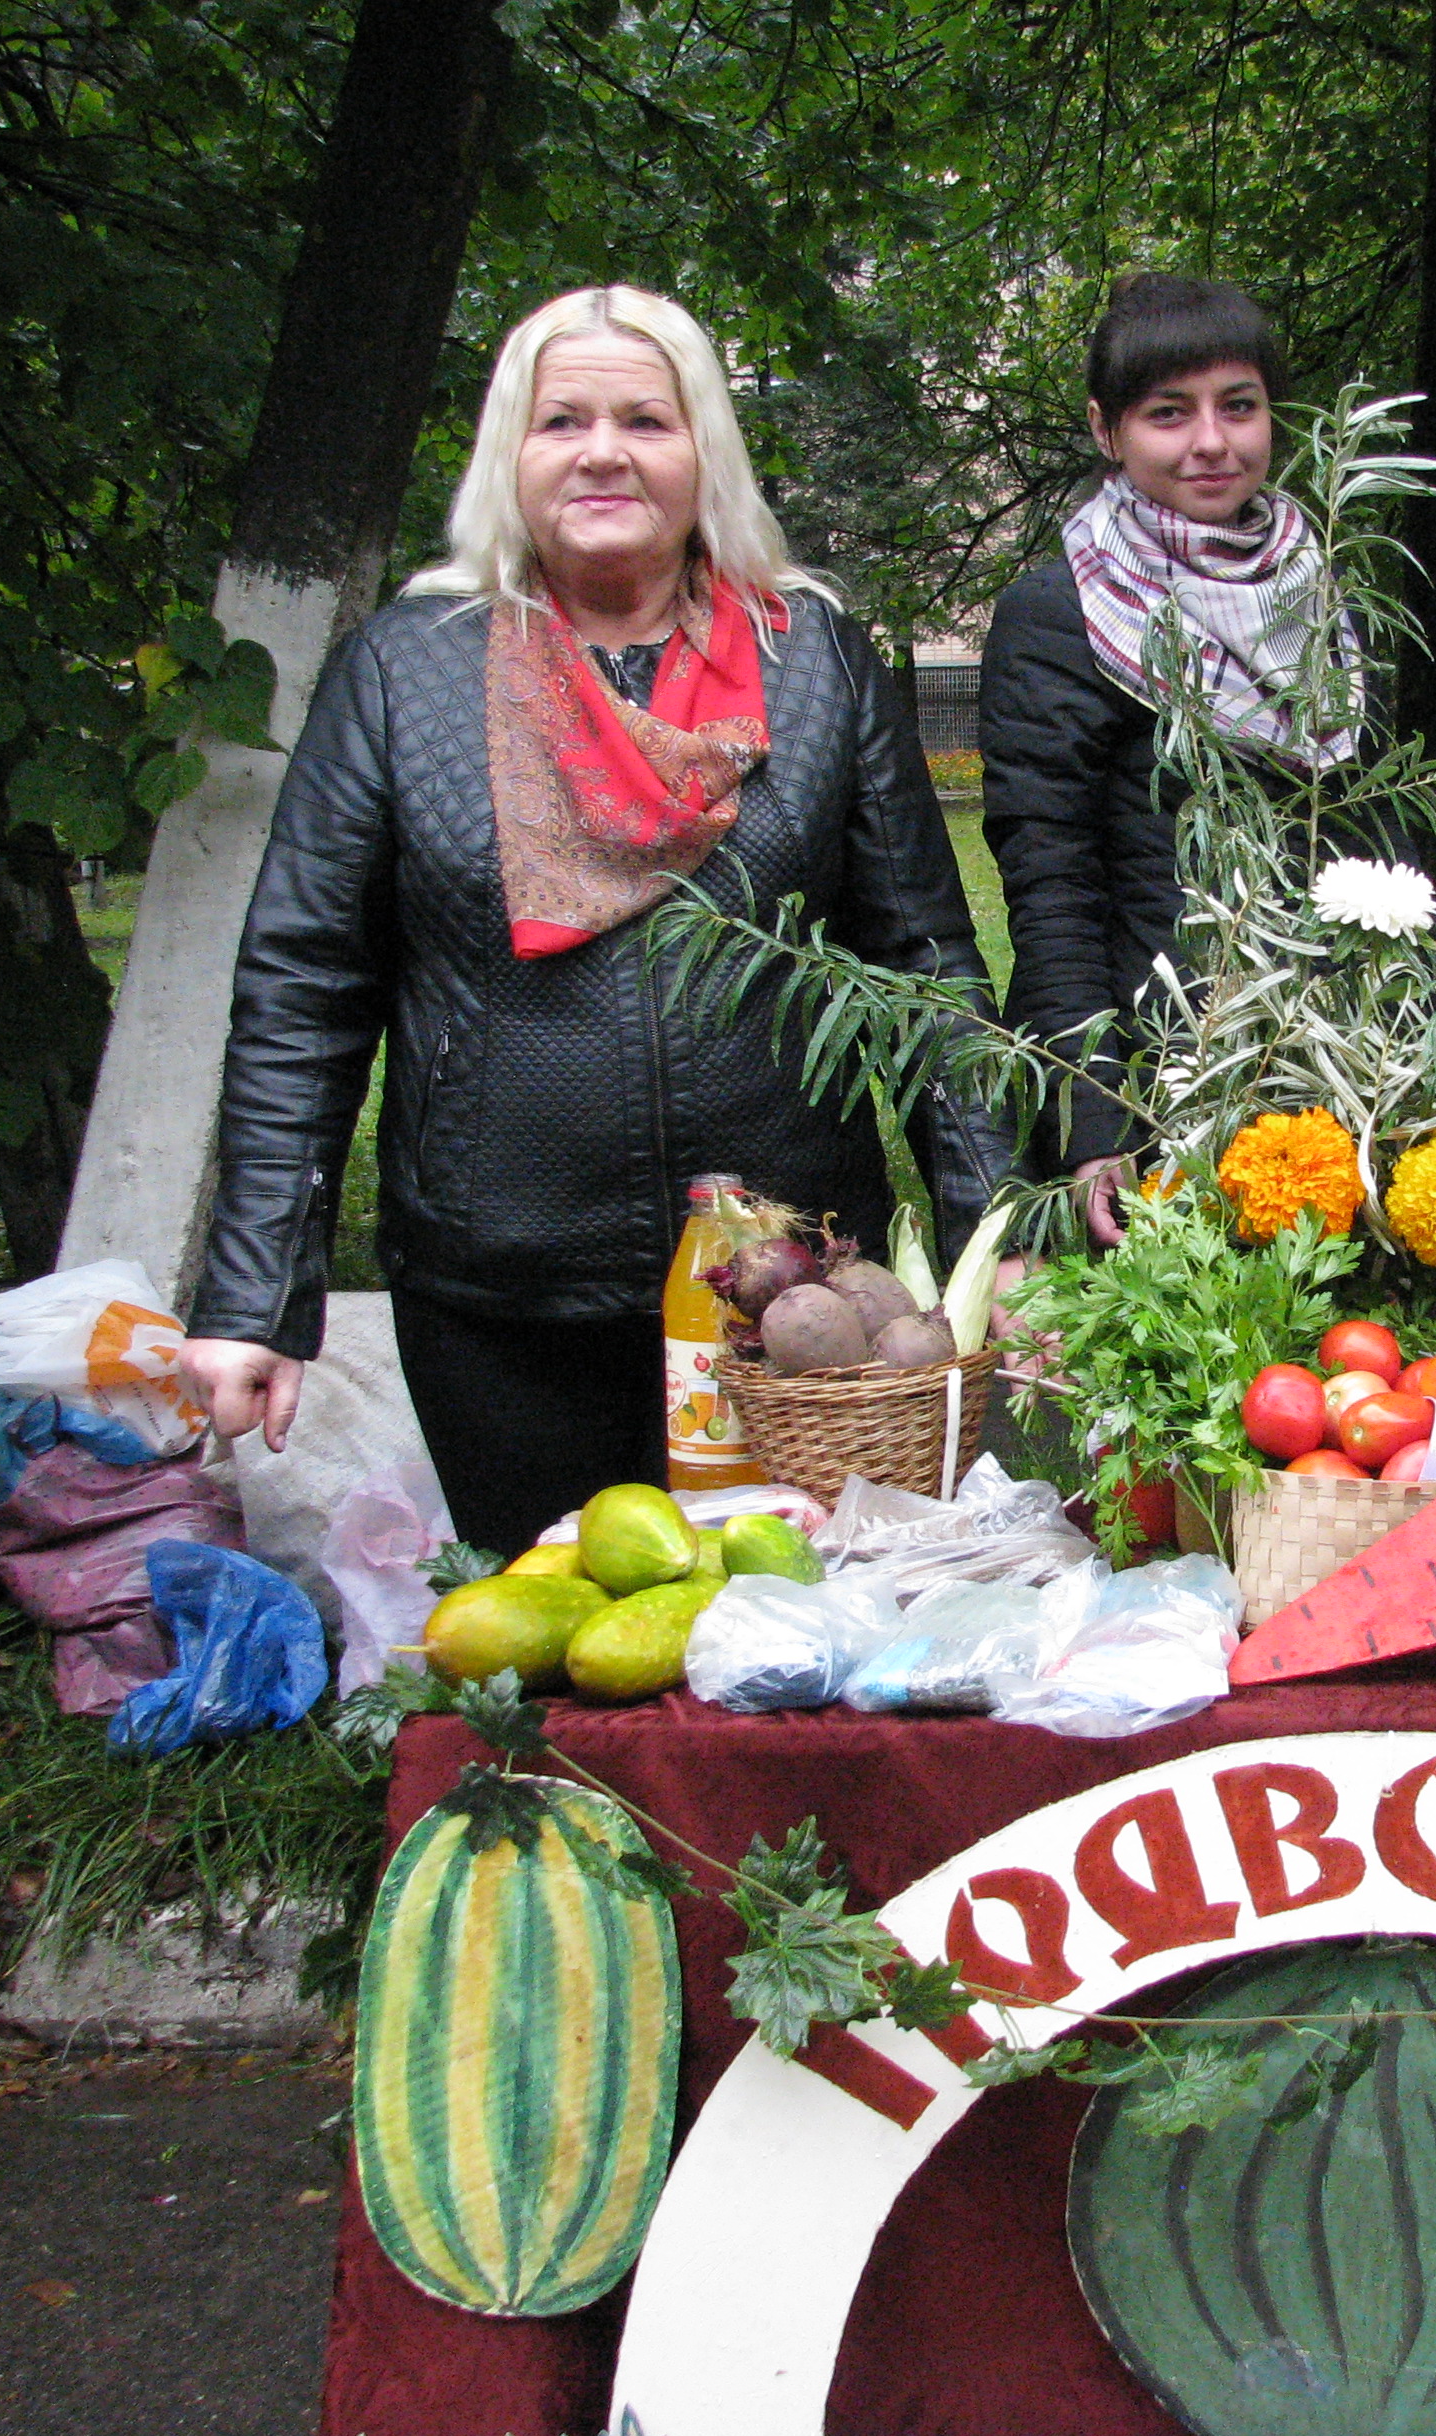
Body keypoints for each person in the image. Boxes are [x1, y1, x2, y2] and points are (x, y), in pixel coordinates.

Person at [178, 285, 1009, 1554]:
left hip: (796, 1303)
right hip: (500, 1295)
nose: (604, 450)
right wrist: (252, 1295)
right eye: (562, 418)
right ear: (510, 453)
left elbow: (928, 975)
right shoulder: (406, 671)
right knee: (562, 1658)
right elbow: (305, 991)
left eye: (646, 419)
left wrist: (991, 1237)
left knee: (798, 1654)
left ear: (704, 454)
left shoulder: (819, 663)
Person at [980, 273, 1361, 1245]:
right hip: (1150, 1085)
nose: (1211, 441)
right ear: (1109, 431)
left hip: (1318, 1076)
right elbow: (1050, 881)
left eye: (1239, 406)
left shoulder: (1315, 594)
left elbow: (1365, 830)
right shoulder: (1061, 611)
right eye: (1168, 413)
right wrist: (1095, 1120)